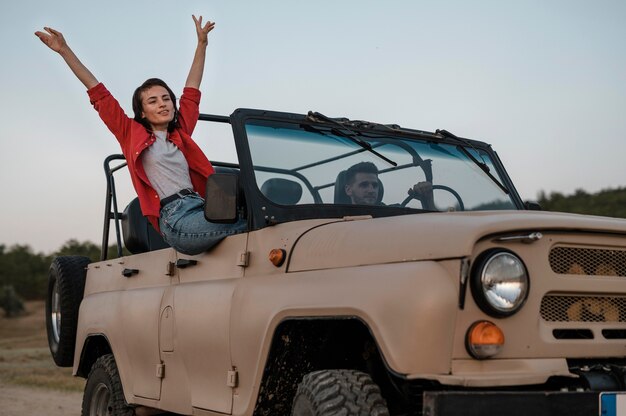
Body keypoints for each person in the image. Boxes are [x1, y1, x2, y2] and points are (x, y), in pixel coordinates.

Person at [35, 16, 246, 256]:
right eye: (153, 101)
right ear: (142, 111)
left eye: (167, 98)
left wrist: (202, 44)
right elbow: (98, 92)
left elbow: (192, 91)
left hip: (203, 206)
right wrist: (64, 50)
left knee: (256, 215)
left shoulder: (180, 132)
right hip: (176, 218)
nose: (163, 104)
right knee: (245, 227)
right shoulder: (129, 133)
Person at [344, 162, 435, 209]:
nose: (371, 190)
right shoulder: (336, 218)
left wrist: (428, 201)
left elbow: (432, 229)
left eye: (375, 185)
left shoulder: (394, 213)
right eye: (364, 185)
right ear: (348, 190)